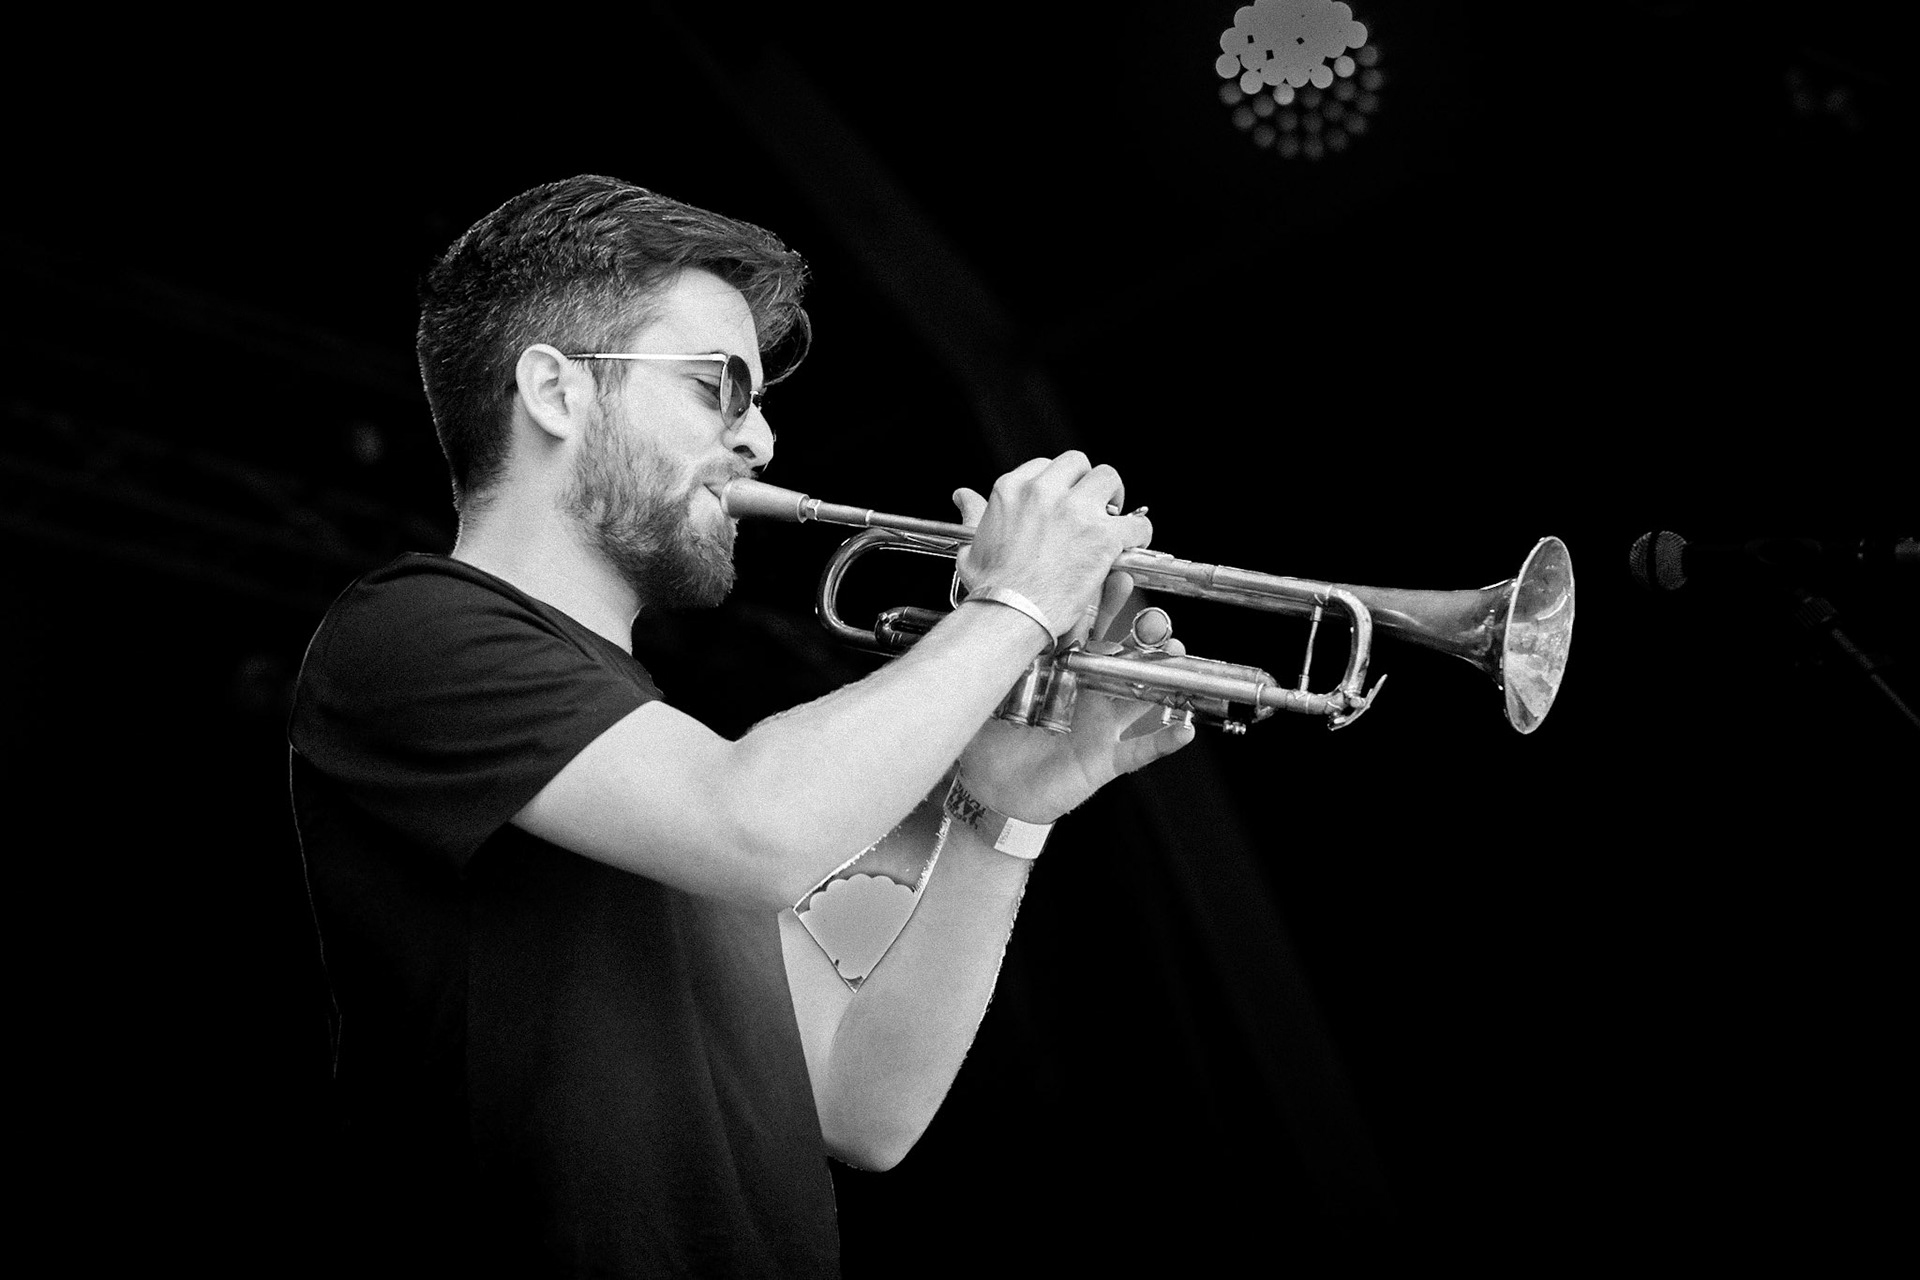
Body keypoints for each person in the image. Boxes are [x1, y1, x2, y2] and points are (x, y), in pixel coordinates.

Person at [287, 173, 1193, 1277]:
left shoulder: (654, 755)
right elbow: (757, 824)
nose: (761, 438)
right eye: (720, 387)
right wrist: (1015, 605)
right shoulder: (413, 631)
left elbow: (860, 1097)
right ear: (554, 392)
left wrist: (1000, 809)